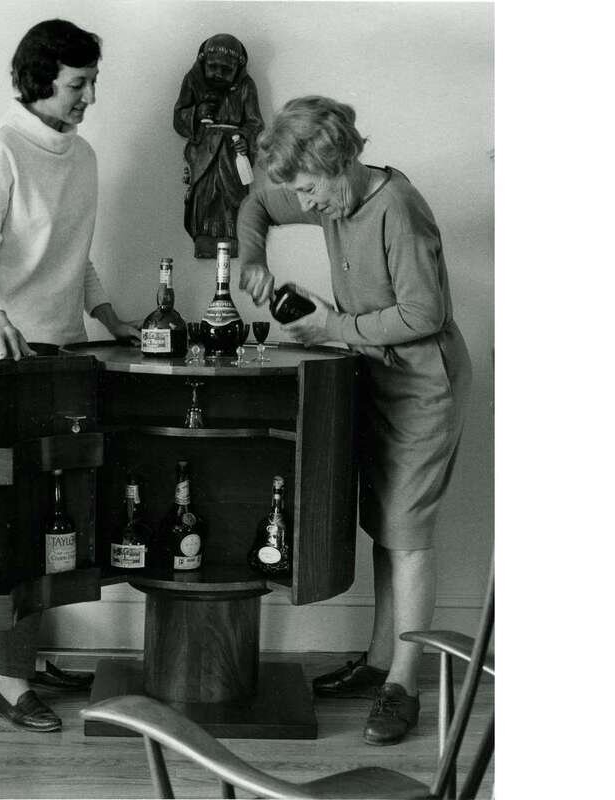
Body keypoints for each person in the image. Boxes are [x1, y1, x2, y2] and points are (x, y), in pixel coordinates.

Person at [238, 96, 472, 746]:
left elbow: (424, 313)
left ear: (339, 162)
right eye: (299, 192)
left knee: (408, 534)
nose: (305, 204)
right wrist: (254, 259)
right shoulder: (328, 194)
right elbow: (256, 205)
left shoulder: (399, 207)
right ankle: (377, 662)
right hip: (377, 378)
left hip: (424, 387)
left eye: (310, 190)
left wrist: (332, 325)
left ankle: (404, 686)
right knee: (384, 526)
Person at [0, 19, 140, 732]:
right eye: (77, 84)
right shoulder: (0, 149)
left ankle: (21, 658)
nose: (89, 97)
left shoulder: (83, 156)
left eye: (93, 82)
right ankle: (8, 680)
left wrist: (107, 313)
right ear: (39, 81)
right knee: (11, 517)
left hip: (64, 346)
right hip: (5, 349)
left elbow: (76, 254)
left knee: (59, 507)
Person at [173, 33, 264, 258]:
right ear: (203, 62)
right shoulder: (193, 80)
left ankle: (230, 237)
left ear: (237, 68)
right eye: (212, 67)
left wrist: (244, 138)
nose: (218, 74)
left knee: (230, 199)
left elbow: (255, 122)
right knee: (203, 197)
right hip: (203, 152)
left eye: (226, 69)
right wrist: (197, 113)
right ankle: (203, 238)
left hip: (231, 153)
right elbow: (179, 117)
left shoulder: (246, 86)